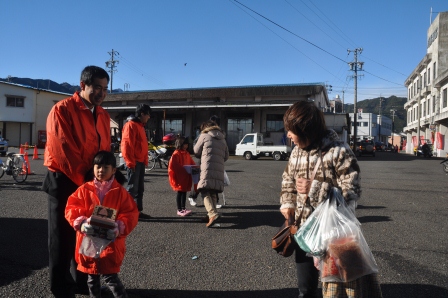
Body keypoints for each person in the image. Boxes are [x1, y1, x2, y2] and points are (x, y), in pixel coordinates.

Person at [280, 100, 383, 298]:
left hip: (333, 233)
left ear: (306, 130)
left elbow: (352, 192)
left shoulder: (339, 151)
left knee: (338, 289)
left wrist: (316, 188)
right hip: (304, 231)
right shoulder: (296, 152)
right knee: (305, 289)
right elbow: (287, 180)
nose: (289, 136)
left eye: (292, 131)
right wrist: (288, 203)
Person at [41, 65, 111, 297]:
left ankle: (85, 282)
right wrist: (90, 180)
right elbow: (64, 151)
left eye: (105, 88)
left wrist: (107, 177)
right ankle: (61, 287)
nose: (102, 93)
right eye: (97, 88)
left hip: (91, 180)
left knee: (89, 234)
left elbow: (105, 150)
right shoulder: (62, 110)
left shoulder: (102, 114)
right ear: (83, 86)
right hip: (64, 179)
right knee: (62, 236)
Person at [65, 151, 139, 298]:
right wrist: (81, 223)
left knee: (110, 277)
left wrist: (119, 227)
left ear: (114, 170)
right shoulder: (84, 190)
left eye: (106, 167)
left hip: (111, 242)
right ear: (92, 168)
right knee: (92, 278)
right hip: (89, 240)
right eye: (98, 166)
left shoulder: (120, 192)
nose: (101, 170)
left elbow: (130, 213)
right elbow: (71, 208)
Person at [194, 120, 229, 227]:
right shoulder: (222, 138)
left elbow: (196, 151)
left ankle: (212, 213)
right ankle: (211, 214)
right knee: (213, 191)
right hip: (218, 168)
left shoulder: (204, 135)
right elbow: (226, 156)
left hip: (207, 167)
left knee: (204, 190)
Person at [121, 103, 151, 220]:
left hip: (139, 162)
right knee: (132, 188)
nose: (149, 117)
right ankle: (128, 213)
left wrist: (144, 160)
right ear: (142, 114)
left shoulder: (140, 126)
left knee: (139, 189)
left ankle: (138, 212)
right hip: (134, 162)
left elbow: (142, 146)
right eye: (148, 115)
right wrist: (130, 163)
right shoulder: (131, 125)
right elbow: (126, 146)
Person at [168, 136, 196, 216]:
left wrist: (195, 168)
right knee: (180, 192)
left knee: (184, 192)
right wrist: (186, 170)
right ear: (180, 144)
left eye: (187, 144)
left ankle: (183, 208)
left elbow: (191, 163)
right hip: (179, 177)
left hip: (185, 176)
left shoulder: (186, 153)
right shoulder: (176, 154)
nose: (186, 146)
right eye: (185, 144)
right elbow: (175, 166)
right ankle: (179, 209)